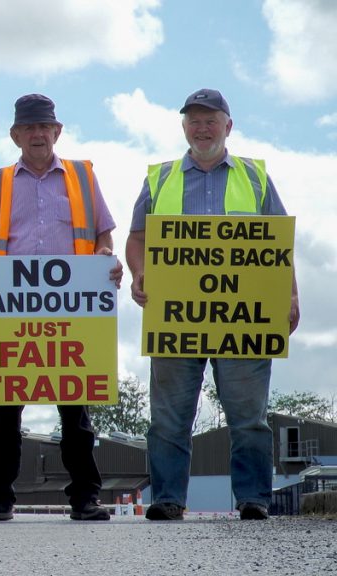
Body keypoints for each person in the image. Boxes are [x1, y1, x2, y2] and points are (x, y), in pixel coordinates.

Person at [125, 88, 300, 521]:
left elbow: (277, 243)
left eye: (210, 120)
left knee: (249, 418)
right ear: (184, 127)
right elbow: (137, 238)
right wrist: (139, 273)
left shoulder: (255, 177)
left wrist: (290, 294)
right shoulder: (159, 178)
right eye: (194, 121)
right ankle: (167, 499)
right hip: (175, 319)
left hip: (244, 320)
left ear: (228, 126)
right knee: (168, 419)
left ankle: (253, 498)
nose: (202, 129)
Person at [0, 94, 120, 523]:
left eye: (44, 127)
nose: (37, 134)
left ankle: (86, 497)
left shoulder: (84, 179)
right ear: (15, 135)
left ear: (57, 132)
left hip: (73, 312)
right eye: (29, 128)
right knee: (4, 413)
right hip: (9, 313)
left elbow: (104, 237)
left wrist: (107, 259)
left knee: (76, 412)